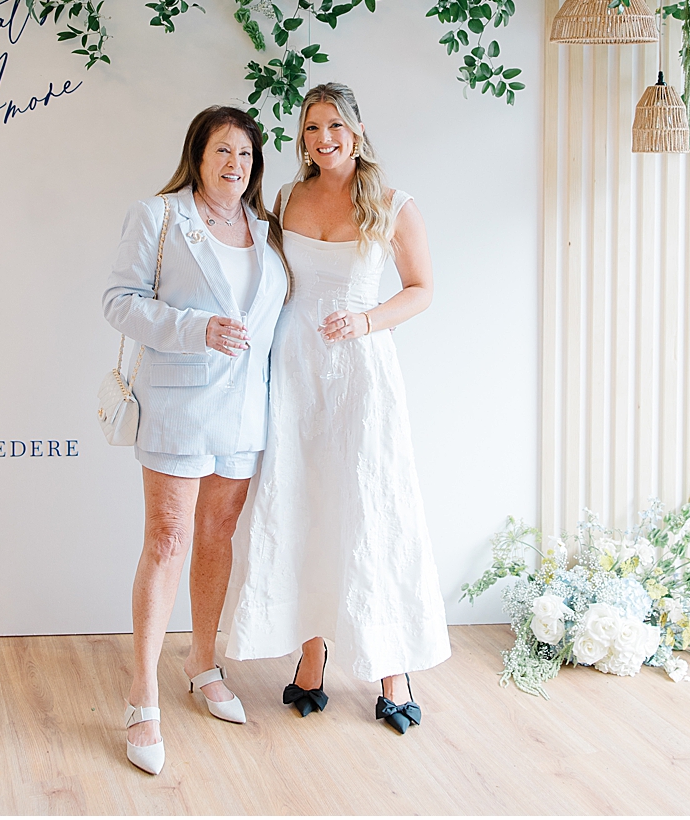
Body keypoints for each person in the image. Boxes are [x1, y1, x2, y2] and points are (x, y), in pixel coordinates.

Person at [226, 82, 450, 735]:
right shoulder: (289, 197)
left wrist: (368, 320)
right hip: (294, 372)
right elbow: (269, 280)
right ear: (302, 137)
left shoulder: (392, 203)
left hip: (359, 373)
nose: (323, 139)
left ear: (356, 128)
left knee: (370, 505)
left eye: (334, 126)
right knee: (302, 501)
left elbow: (423, 289)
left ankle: (391, 668)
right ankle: (312, 656)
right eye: (312, 128)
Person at [102, 106, 288, 775]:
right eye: (222, 152)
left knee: (217, 539)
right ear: (198, 155)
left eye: (245, 154)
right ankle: (142, 694)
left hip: (244, 413)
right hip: (178, 404)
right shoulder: (158, 217)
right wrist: (195, 328)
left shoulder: (265, 230)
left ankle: (202, 663)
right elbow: (118, 302)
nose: (234, 165)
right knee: (167, 541)